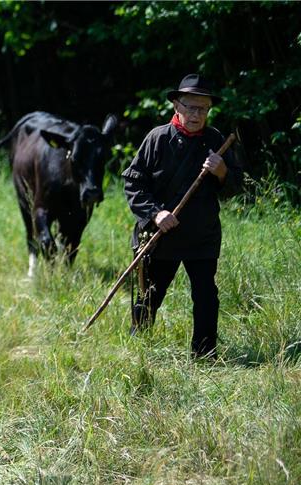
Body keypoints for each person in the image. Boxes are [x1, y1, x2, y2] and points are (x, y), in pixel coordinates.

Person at [122, 73, 243, 358]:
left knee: (206, 297)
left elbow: (235, 187)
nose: (196, 114)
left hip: (202, 236)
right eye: (190, 107)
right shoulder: (157, 138)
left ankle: (204, 355)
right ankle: (138, 348)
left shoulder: (217, 141)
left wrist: (222, 171)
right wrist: (156, 213)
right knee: (149, 294)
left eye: (203, 109)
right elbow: (133, 182)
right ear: (177, 105)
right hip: (162, 234)